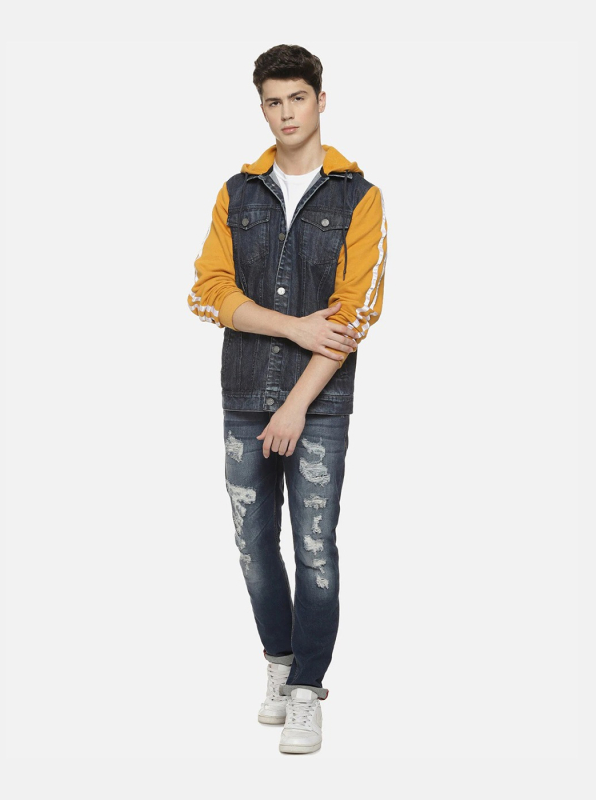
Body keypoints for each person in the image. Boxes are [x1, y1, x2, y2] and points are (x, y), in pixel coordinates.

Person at [187, 43, 387, 755]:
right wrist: (292, 326)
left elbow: (356, 313)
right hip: (244, 393)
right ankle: (279, 660)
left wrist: (297, 403)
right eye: (273, 102)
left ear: (320, 101)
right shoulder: (236, 192)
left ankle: (307, 689)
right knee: (252, 545)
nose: (286, 113)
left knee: (314, 548)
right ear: (263, 108)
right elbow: (207, 291)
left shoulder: (359, 196)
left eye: (297, 98)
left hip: (319, 404)